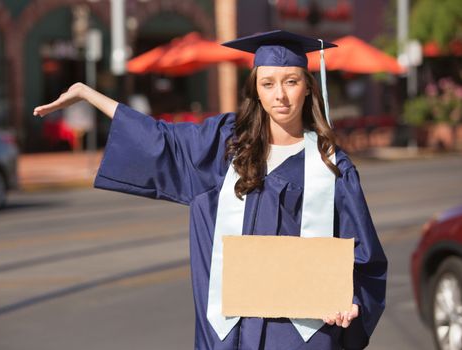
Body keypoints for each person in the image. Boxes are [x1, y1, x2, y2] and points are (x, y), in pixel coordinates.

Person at [34, 30, 387, 350]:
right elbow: (160, 140)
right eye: (267, 84)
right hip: (230, 334)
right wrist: (86, 93)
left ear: (308, 86)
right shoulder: (225, 146)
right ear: (255, 89)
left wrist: (351, 302)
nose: (280, 95)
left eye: (291, 81)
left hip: (301, 337)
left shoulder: (332, 167)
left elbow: (364, 259)